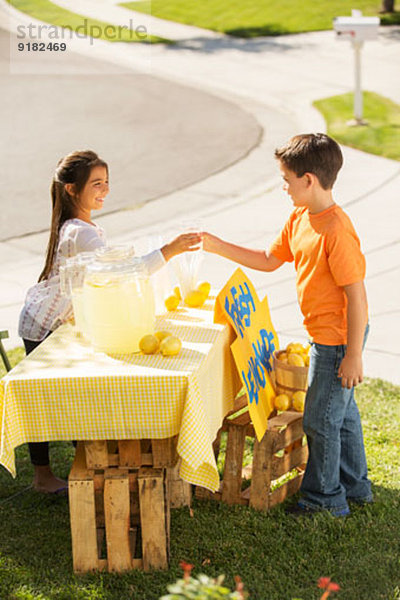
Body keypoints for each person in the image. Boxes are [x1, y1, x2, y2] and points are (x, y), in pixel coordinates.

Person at [203, 133, 372, 517]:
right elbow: (268, 258)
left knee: (320, 421)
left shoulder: (336, 231)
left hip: (339, 340)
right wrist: (216, 245)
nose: (283, 187)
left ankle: (325, 501)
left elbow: (356, 297)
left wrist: (354, 354)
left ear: (309, 180)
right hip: (327, 336)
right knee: (341, 415)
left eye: (287, 179)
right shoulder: (300, 218)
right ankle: (355, 486)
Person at [19, 149, 201, 494]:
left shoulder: (81, 226)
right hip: (42, 323)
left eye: (107, 183)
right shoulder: (81, 232)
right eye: (96, 184)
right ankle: (45, 477)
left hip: (52, 317)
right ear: (72, 189)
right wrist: (171, 249)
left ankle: (84, 467)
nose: (104, 190)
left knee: (61, 396)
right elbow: (119, 273)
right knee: (43, 399)